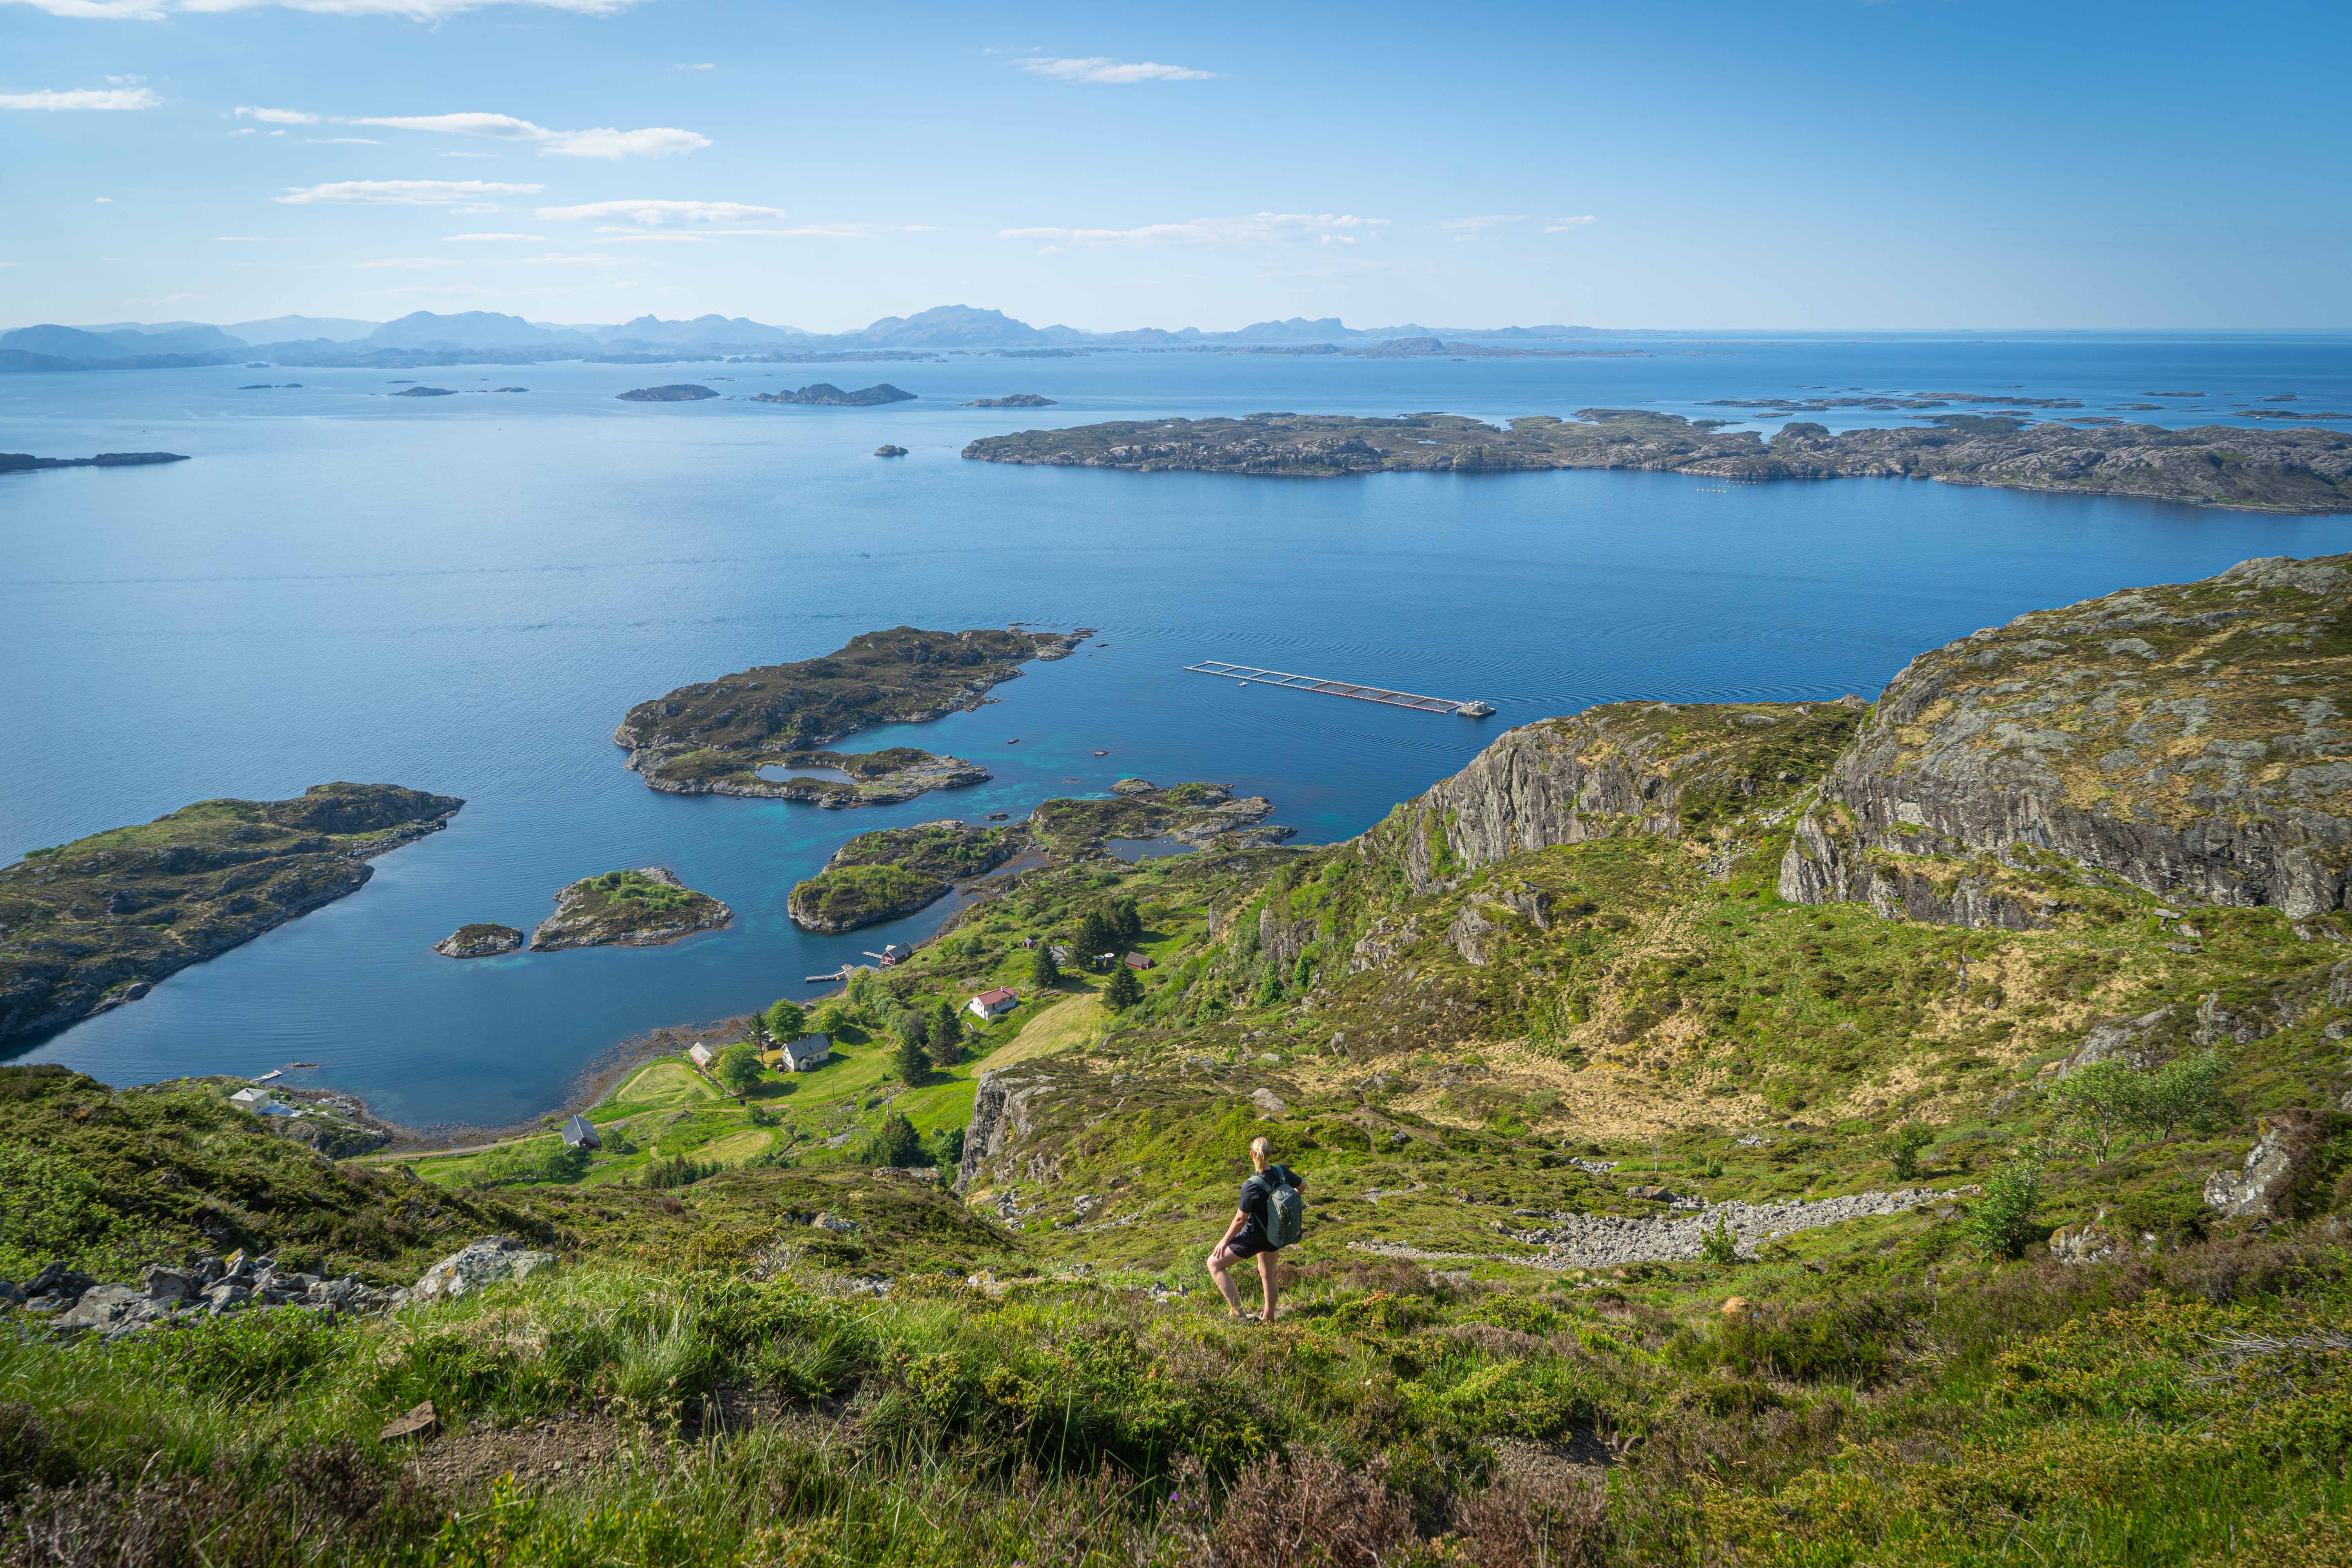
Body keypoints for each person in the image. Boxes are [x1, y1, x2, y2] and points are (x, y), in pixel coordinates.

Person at [1207, 1135, 1304, 1323]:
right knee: (1268, 1274)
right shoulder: (1282, 1173)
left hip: (1256, 1237)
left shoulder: (1251, 1185)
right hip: (1276, 1235)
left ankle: (1242, 1317)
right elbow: (1303, 1187)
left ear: (1252, 1155)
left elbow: (1240, 1219)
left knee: (1215, 1264)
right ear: (1270, 1154)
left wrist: (1224, 1241)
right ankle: (1269, 1317)